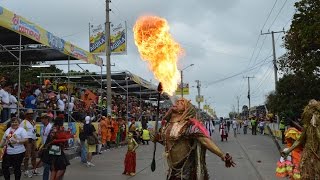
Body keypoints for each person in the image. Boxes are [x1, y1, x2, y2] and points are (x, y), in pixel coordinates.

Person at [153, 98, 235, 179]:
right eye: (177, 102)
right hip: (173, 169)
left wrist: (222, 155)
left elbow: (205, 141)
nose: (177, 103)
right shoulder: (166, 126)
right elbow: (171, 144)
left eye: (181, 103)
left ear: (186, 110)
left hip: (186, 171)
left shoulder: (188, 125)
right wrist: (158, 139)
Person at [282, 99, 320, 179]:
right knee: (305, 173)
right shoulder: (307, 127)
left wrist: (316, 128)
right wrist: (288, 151)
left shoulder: (317, 126)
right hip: (307, 154)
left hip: (317, 153)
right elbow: (299, 140)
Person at [46, 116, 72, 180]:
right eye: (62, 121)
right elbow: (55, 140)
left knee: (54, 168)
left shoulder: (53, 128)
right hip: (56, 149)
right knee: (61, 168)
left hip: (52, 149)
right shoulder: (57, 129)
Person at [20, 109, 39, 177]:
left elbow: (34, 131)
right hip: (27, 141)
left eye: (32, 114)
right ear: (26, 115)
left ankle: (34, 170)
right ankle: (26, 171)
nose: (31, 115)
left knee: (34, 156)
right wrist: (25, 140)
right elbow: (20, 132)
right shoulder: (23, 122)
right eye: (29, 114)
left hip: (34, 140)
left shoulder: (33, 121)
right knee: (27, 156)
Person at [38, 113, 53, 180]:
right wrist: (40, 145)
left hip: (49, 148)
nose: (41, 120)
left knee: (48, 165)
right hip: (45, 147)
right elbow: (43, 137)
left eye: (42, 119)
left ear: (46, 119)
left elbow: (51, 139)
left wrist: (45, 147)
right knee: (47, 166)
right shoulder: (43, 126)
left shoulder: (50, 127)